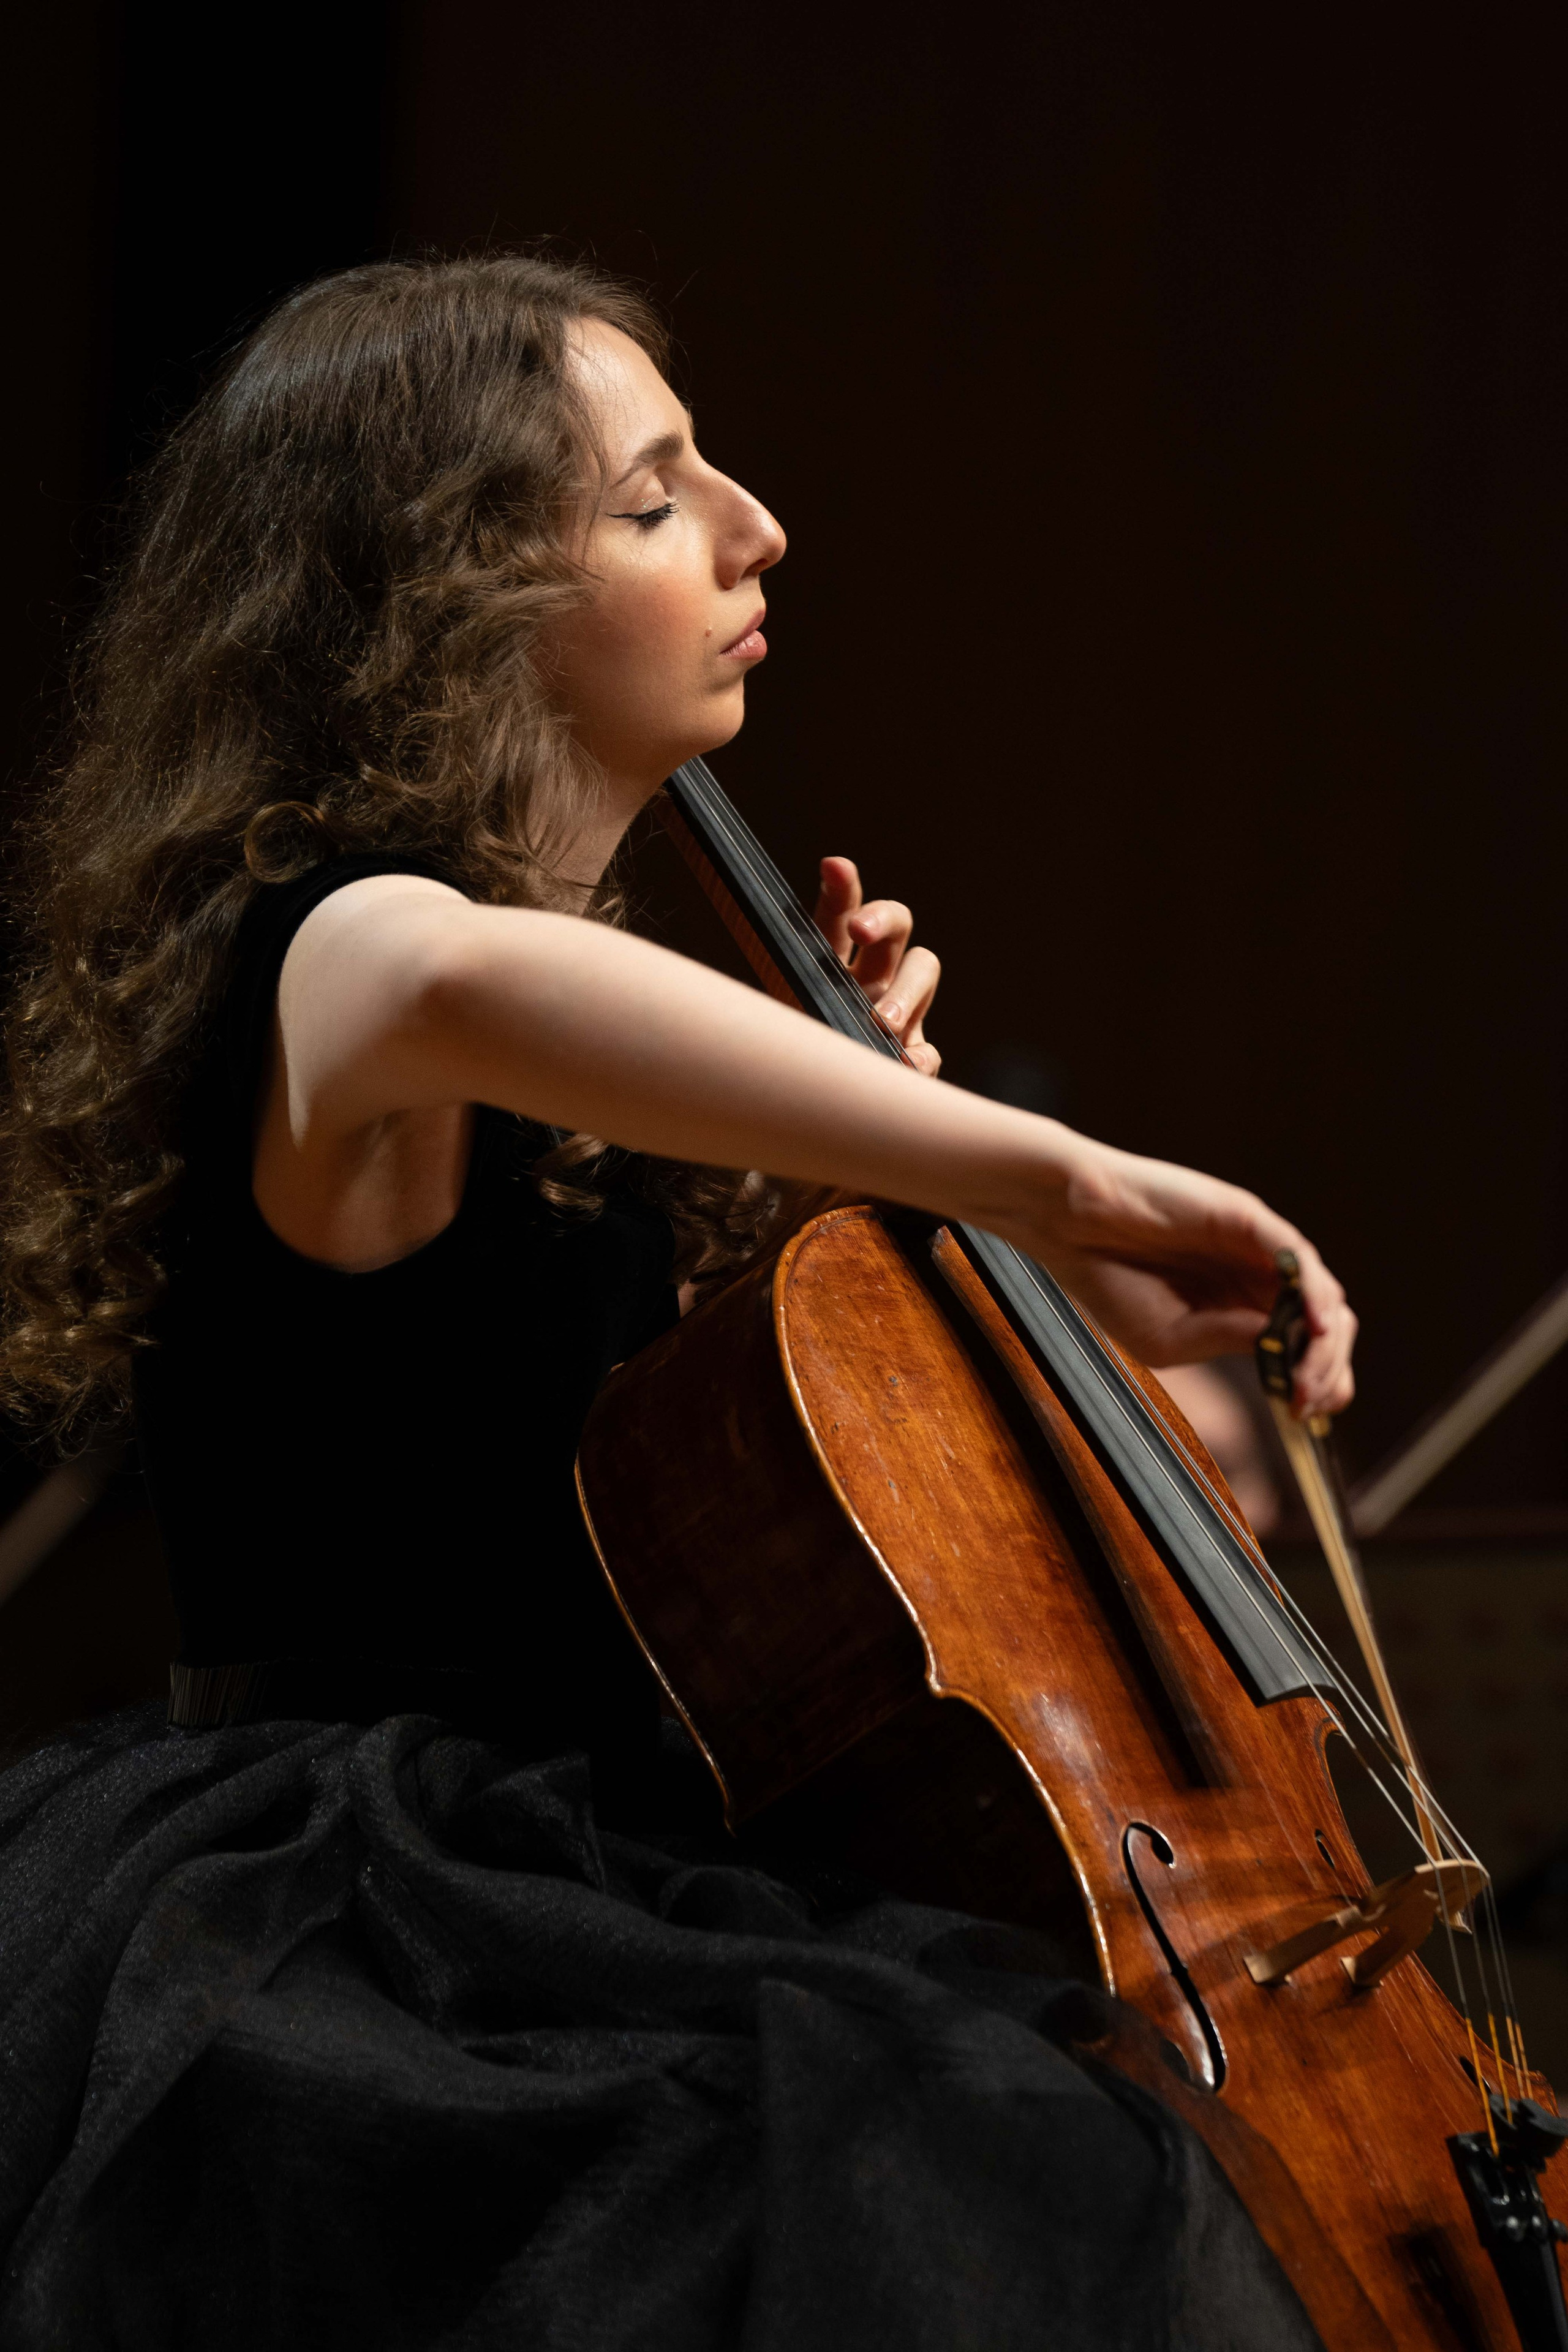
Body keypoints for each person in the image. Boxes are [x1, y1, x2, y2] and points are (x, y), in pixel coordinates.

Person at [0, 254, 1353, 2349]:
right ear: (446, 601)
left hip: (627, 1862)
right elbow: (466, 971)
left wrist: (858, 1156)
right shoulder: (343, 958)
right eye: (651, 501)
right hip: (373, 1926)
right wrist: (1036, 1162)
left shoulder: (587, 1056)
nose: (754, 526)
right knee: (1009, 2178)